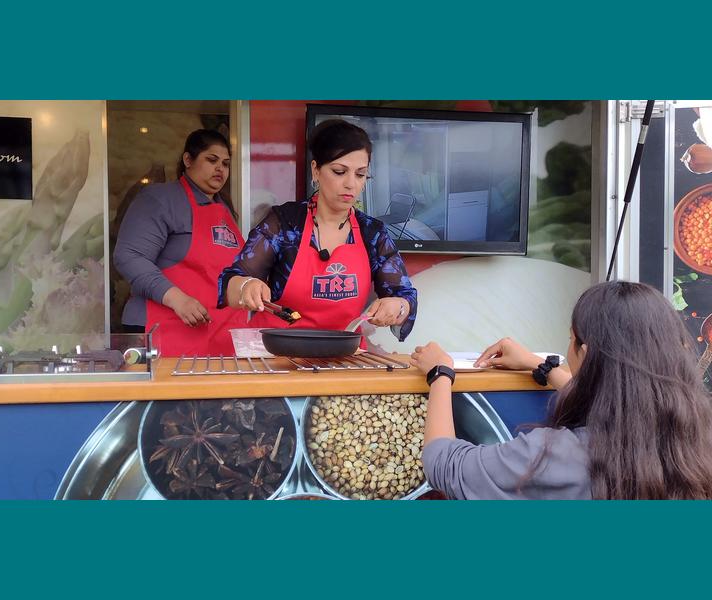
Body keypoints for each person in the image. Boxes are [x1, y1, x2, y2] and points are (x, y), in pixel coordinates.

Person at [410, 281, 712, 500]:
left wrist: (440, 373)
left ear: (586, 353)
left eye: (570, 339)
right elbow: (620, 397)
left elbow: (446, 464)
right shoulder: (698, 436)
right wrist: (540, 366)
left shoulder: (558, 456)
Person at [219, 119, 417, 342]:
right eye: (339, 171)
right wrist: (246, 286)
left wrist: (398, 306)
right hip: (279, 352)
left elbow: (404, 295)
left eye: (360, 174)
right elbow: (230, 281)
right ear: (316, 170)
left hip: (343, 354)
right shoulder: (284, 223)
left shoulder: (372, 233)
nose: (351, 184)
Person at [113, 129, 248, 355]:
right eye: (212, 160)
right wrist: (178, 300)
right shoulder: (160, 199)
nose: (220, 169)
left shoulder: (225, 210)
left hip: (217, 333)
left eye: (225, 164)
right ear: (188, 160)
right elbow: (129, 256)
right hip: (163, 329)